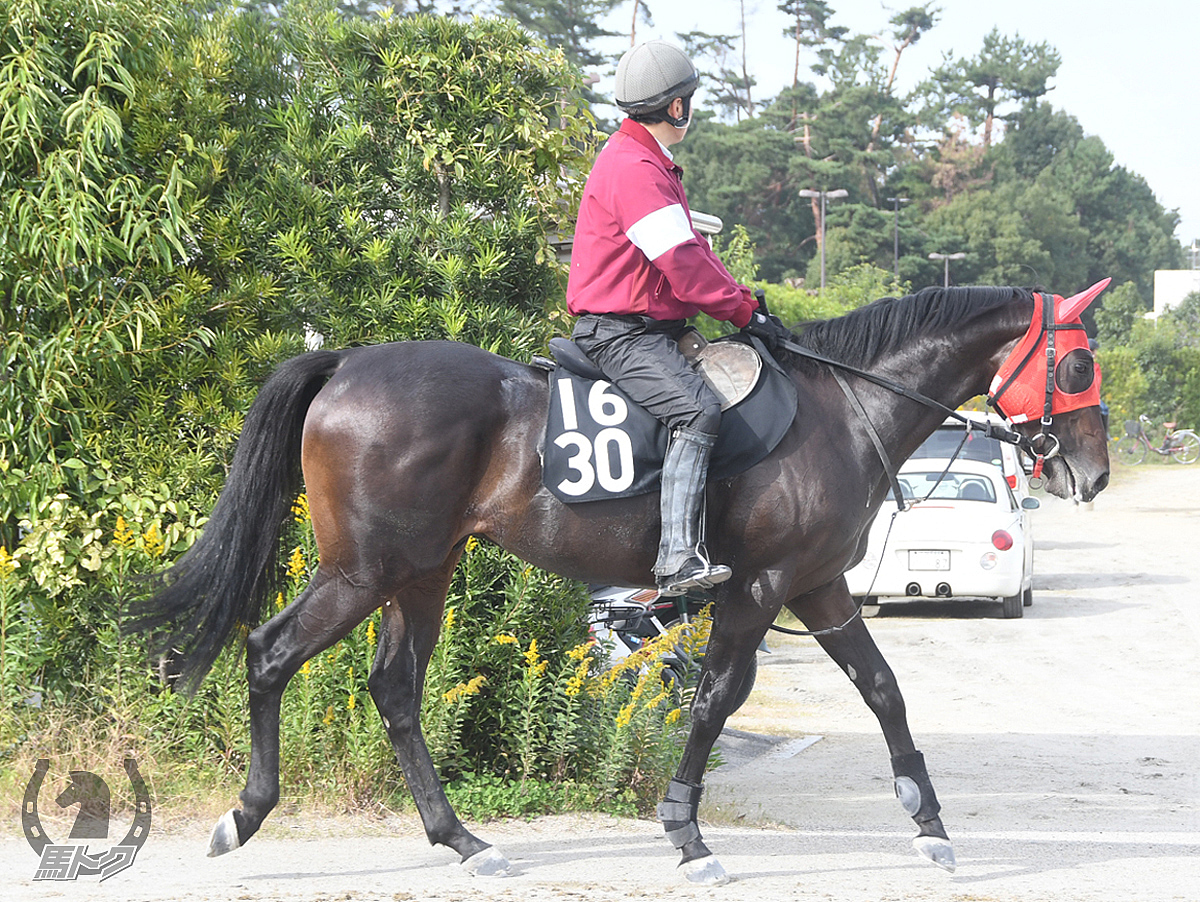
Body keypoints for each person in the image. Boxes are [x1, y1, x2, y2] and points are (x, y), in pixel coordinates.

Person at [566, 41, 788, 596]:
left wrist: (748, 305)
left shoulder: (646, 161)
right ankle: (675, 559)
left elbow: (694, 253)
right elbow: (683, 264)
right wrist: (739, 310)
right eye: (690, 99)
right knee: (697, 412)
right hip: (619, 335)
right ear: (677, 108)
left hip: (656, 329)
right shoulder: (634, 168)